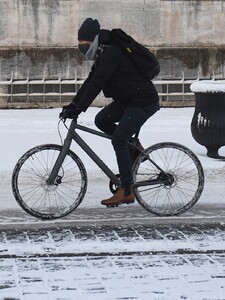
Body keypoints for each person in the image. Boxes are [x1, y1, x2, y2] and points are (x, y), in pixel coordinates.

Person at [60, 18, 160, 207]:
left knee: (118, 140)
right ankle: (135, 148)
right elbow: (91, 80)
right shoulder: (103, 51)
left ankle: (127, 190)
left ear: (93, 40)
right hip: (128, 101)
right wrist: (73, 105)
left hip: (142, 102)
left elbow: (97, 83)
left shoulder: (111, 52)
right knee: (102, 120)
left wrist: (79, 109)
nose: (82, 48)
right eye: (79, 44)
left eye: (84, 44)